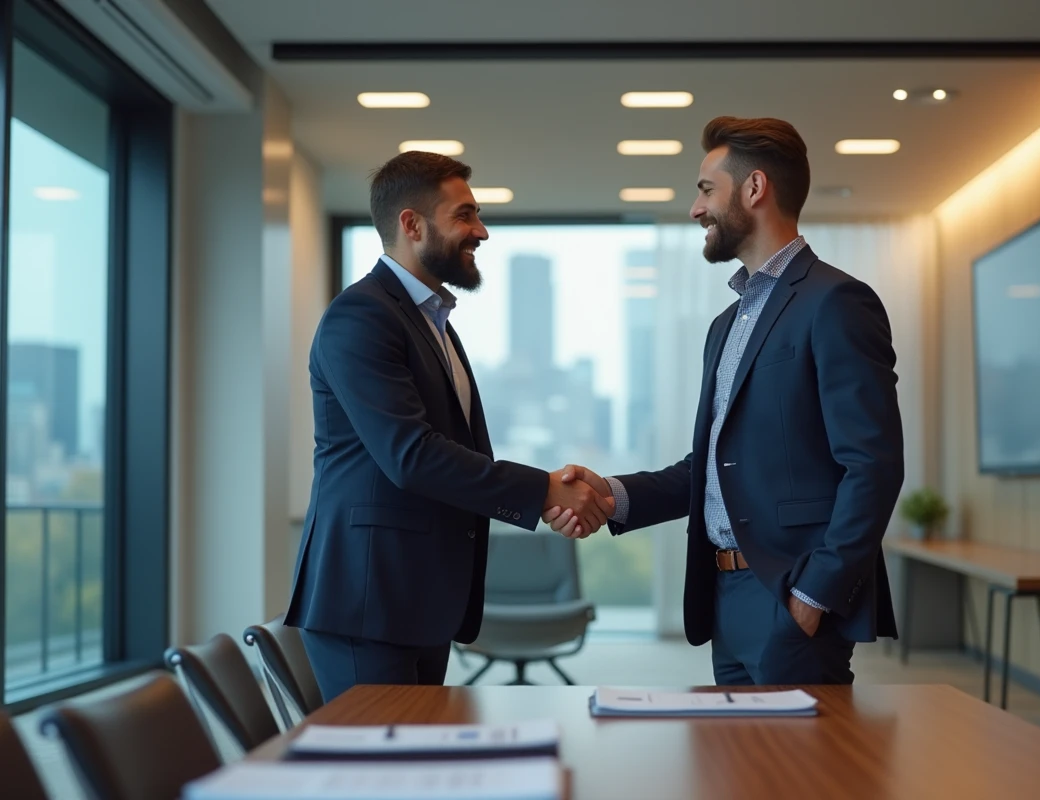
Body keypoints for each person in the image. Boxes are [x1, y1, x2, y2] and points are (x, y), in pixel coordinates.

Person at [544, 116, 904, 685]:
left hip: (790, 596)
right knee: (734, 772)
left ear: (754, 188)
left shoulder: (836, 302)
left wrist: (813, 596)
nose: (695, 209)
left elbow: (873, 466)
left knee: (796, 775)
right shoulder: (725, 324)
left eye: (706, 189)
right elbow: (713, 466)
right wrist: (612, 496)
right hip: (724, 597)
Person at [285, 151, 612, 700]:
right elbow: (411, 455)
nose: (480, 231)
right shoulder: (360, 315)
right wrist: (544, 490)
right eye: (464, 215)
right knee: (383, 782)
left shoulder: (432, 322)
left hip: (416, 598)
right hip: (369, 600)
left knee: (417, 771)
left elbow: (454, 452)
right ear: (411, 224)